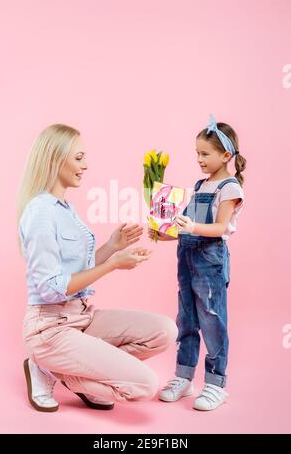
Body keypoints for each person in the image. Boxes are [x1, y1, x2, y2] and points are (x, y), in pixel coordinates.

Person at [17, 124, 178, 412]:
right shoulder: (40, 213)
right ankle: (52, 369)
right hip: (50, 329)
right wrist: (113, 265)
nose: (85, 166)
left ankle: (77, 368)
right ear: (56, 158)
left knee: (164, 331)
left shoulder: (64, 207)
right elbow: (53, 287)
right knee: (145, 385)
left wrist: (112, 247)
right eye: (79, 158)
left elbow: (76, 270)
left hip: (80, 318)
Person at [149, 115, 246, 411]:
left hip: (210, 262)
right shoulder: (199, 184)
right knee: (186, 319)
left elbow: (218, 229)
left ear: (225, 156)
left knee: (213, 321)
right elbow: (184, 229)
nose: (199, 160)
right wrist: (161, 233)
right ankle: (184, 376)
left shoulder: (229, 188)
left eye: (205, 154)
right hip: (187, 260)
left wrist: (191, 227)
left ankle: (216, 383)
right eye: (197, 154)